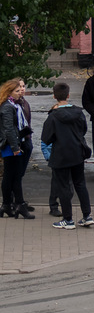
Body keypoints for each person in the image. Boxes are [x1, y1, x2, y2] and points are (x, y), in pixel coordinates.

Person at [42, 82, 94, 230]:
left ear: (54, 96)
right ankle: (87, 216)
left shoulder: (53, 117)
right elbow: (83, 130)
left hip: (61, 155)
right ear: (69, 95)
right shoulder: (78, 112)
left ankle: (68, 219)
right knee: (80, 184)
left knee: (64, 186)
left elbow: (46, 137)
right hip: (77, 152)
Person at [0, 78, 36, 219]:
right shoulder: (8, 106)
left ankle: (7, 205)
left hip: (12, 144)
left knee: (10, 176)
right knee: (14, 176)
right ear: (9, 92)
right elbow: (8, 128)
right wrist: (15, 147)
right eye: (16, 91)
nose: (19, 93)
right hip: (11, 145)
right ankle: (19, 204)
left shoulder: (10, 104)